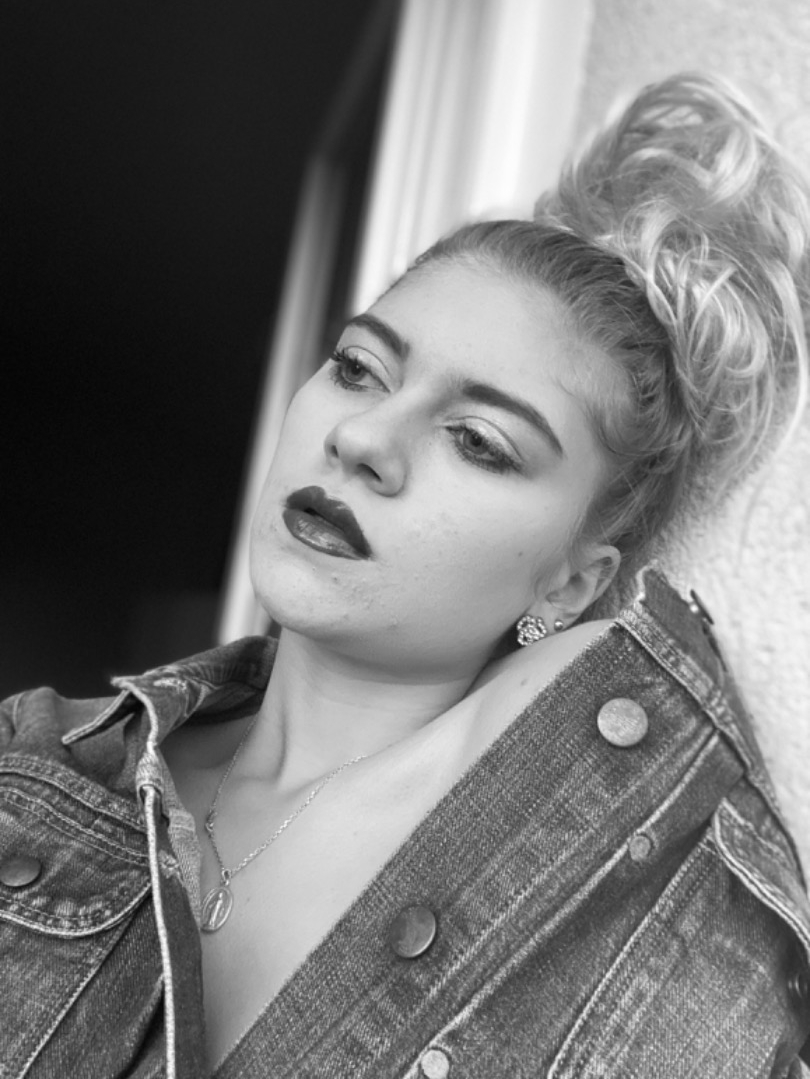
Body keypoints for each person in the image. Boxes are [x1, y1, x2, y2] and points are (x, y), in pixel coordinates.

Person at [2, 72, 809, 1079]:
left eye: (477, 441)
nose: (365, 439)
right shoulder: (34, 764)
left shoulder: (662, 935)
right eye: (359, 369)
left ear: (570, 585)